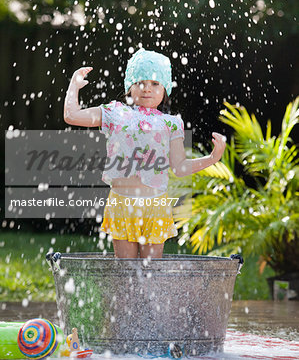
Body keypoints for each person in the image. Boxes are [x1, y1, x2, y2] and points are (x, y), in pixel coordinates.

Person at [64, 48, 226, 259]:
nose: (147, 89)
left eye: (155, 84)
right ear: (129, 87)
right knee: (126, 273)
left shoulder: (171, 123)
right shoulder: (114, 113)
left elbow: (180, 167)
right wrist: (73, 86)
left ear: (165, 89)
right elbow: (72, 116)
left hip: (155, 206)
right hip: (122, 203)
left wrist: (213, 158)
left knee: (152, 274)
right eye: (140, 82)